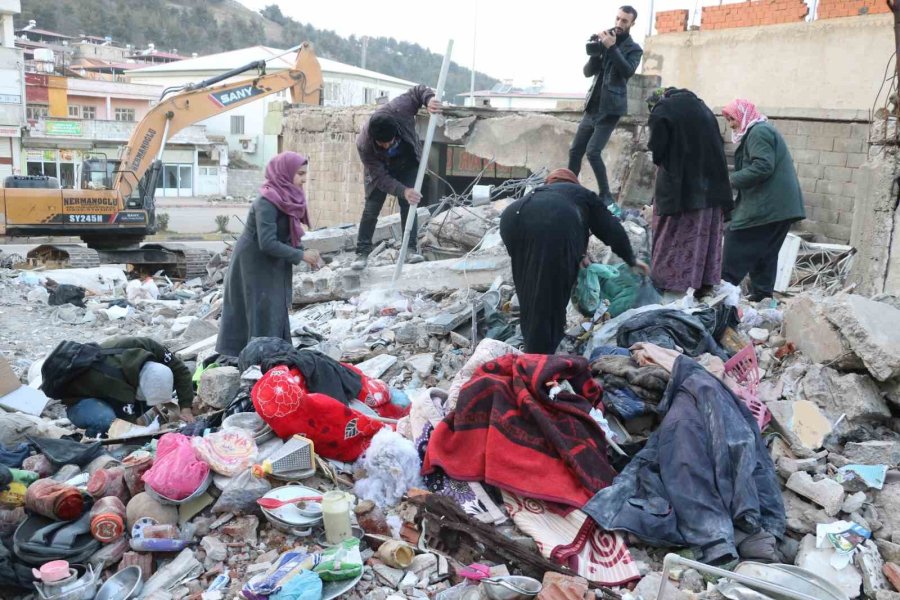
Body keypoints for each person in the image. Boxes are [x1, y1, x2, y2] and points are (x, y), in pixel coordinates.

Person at [500, 168, 649, 354]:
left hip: (512, 218)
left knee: (529, 291)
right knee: (552, 294)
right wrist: (630, 259)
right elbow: (611, 228)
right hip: (555, 222)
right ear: (573, 183)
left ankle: (533, 350)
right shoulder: (581, 194)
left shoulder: (540, 191)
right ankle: (542, 355)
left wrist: (577, 254)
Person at [217, 151, 322, 357]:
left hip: (272, 261)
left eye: (305, 174)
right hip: (254, 263)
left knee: (275, 306)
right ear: (285, 173)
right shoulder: (267, 201)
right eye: (300, 174)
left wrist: (304, 252)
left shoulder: (290, 197)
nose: (304, 179)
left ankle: (274, 353)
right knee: (261, 308)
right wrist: (300, 256)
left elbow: (288, 234)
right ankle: (256, 356)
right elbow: (267, 242)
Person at [645, 87, 733, 295]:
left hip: (681, 190)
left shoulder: (663, 109)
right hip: (712, 189)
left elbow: (657, 150)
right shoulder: (704, 109)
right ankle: (703, 285)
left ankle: (669, 286)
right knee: (703, 237)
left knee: (674, 236)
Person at [721, 99, 805, 302]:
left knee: (737, 237)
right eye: (728, 119)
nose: (731, 124)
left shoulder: (758, 132)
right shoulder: (758, 131)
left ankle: (723, 291)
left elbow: (762, 166)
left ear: (743, 115)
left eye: (732, 118)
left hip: (769, 206)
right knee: (765, 252)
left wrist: (729, 181)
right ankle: (762, 297)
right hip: (780, 208)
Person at [351, 85, 442, 271]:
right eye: (382, 143)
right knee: (371, 209)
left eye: (389, 141)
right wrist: (402, 190)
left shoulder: (400, 108)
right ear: (374, 138)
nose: (386, 145)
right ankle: (362, 252)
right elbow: (380, 178)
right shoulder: (364, 145)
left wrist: (429, 99)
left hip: (406, 161)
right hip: (380, 170)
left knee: (409, 205)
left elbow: (417, 92)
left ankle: (410, 249)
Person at [568, 6, 643, 207]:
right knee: (575, 150)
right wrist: (596, 52)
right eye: (618, 19)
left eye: (624, 21)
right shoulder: (605, 38)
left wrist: (612, 47)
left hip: (610, 109)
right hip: (592, 105)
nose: (619, 24)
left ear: (632, 24)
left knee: (593, 151)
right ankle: (567, 187)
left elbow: (627, 72)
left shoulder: (634, 49)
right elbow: (587, 72)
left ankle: (605, 195)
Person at [61, 336, 194, 436]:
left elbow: (181, 371)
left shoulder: (150, 347)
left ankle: (143, 415)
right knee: (106, 420)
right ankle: (94, 440)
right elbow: (128, 428)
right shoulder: (117, 382)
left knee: (173, 381)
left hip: (117, 384)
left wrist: (185, 407)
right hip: (78, 403)